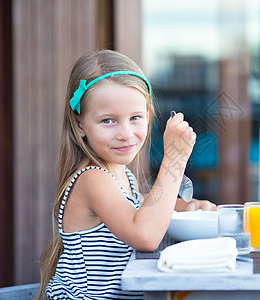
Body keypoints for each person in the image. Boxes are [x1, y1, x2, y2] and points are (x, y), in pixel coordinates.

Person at [37, 49, 216, 299]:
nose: (125, 133)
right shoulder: (92, 178)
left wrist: (185, 207)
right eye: (108, 121)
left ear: (148, 117)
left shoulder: (120, 177)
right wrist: (174, 160)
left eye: (135, 118)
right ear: (80, 124)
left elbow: (143, 207)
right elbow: (145, 235)